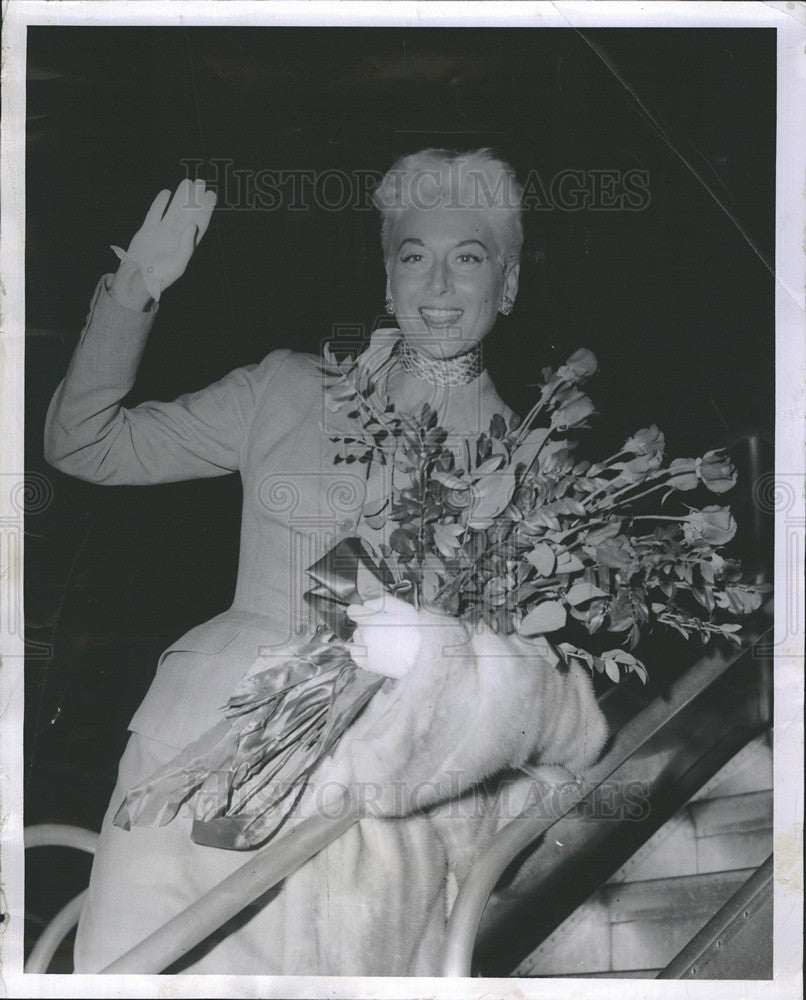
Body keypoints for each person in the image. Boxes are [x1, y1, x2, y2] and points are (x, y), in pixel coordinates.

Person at [44, 150, 608, 975]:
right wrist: (135, 290)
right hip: (192, 763)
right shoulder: (285, 389)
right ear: (388, 282)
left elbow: (532, 705)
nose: (439, 285)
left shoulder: (539, 473)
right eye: (415, 257)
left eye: (469, 258)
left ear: (508, 284)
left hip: (370, 827)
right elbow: (82, 443)